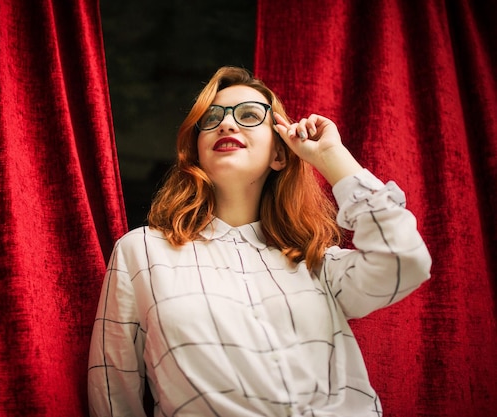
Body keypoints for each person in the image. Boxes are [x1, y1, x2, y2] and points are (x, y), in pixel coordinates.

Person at [87, 66, 431, 416]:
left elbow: (405, 260)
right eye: (211, 118)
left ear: (279, 154)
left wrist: (332, 158)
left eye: (249, 115)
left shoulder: (319, 265)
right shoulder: (142, 251)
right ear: (197, 153)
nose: (227, 124)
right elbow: (112, 387)